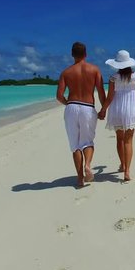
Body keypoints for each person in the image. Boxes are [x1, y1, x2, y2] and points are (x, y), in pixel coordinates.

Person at [57, 42, 106, 188]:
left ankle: (79, 179)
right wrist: (103, 109)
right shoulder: (94, 70)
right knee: (87, 141)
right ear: (86, 54)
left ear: (72, 54)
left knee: (75, 145)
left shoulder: (66, 72)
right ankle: (88, 166)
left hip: (71, 107)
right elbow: (101, 93)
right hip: (87, 107)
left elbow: (59, 96)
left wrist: (68, 103)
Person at [99, 50, 135, 182]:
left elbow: (110, 97)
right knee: (129, 140)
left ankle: (123, 164)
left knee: (119, 139)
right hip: (131, 108)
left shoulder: (113, 78)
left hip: (117, 108)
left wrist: (103, 110)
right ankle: (127, 171)